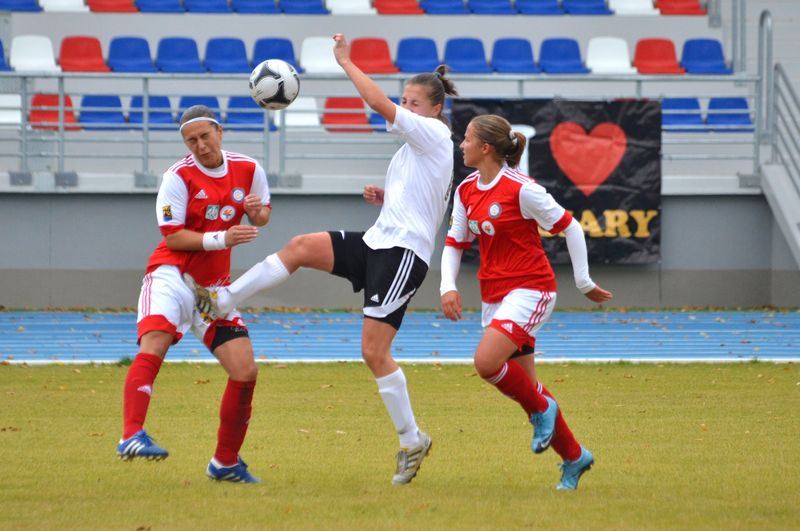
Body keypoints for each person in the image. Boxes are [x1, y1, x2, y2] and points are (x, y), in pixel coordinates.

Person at [188, 33, 458, 486]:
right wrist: (387, 197)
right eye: (404, 99)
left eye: (414, 102)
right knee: (300, 247)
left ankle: (412, 441)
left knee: (374, 352)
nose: (406, 106)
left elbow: (376, 102)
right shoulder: (415, 146)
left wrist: (344, 62)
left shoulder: (434, 133)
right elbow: (425, 197)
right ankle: (222, 301)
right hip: (378, 240)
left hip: (402, 257)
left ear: (434, 110)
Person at [440, 114, 613, 490]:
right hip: (494, 295)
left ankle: (543, 410)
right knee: (529, 387)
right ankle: (574, 457)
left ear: (485, 148)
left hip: (532, 288)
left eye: (466, 139)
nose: (461, 145)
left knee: (487, 363)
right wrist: (446, 286)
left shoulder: (521, 188)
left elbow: (569, 225)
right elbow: (455, 242)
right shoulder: (466, 189)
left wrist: (583, 282)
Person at [116, 105, 271, 484]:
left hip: (213, 289)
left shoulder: (249, 169)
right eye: (191, 140)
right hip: (172, 275)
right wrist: (222, 237)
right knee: (156, 342)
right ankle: (131, 435)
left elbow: (263, 215)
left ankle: (225, 463)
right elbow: (173, 236)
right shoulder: (177, 176)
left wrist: (255, 211)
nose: (200, 145)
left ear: (219, 131)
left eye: (205, 136)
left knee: (245, 370)